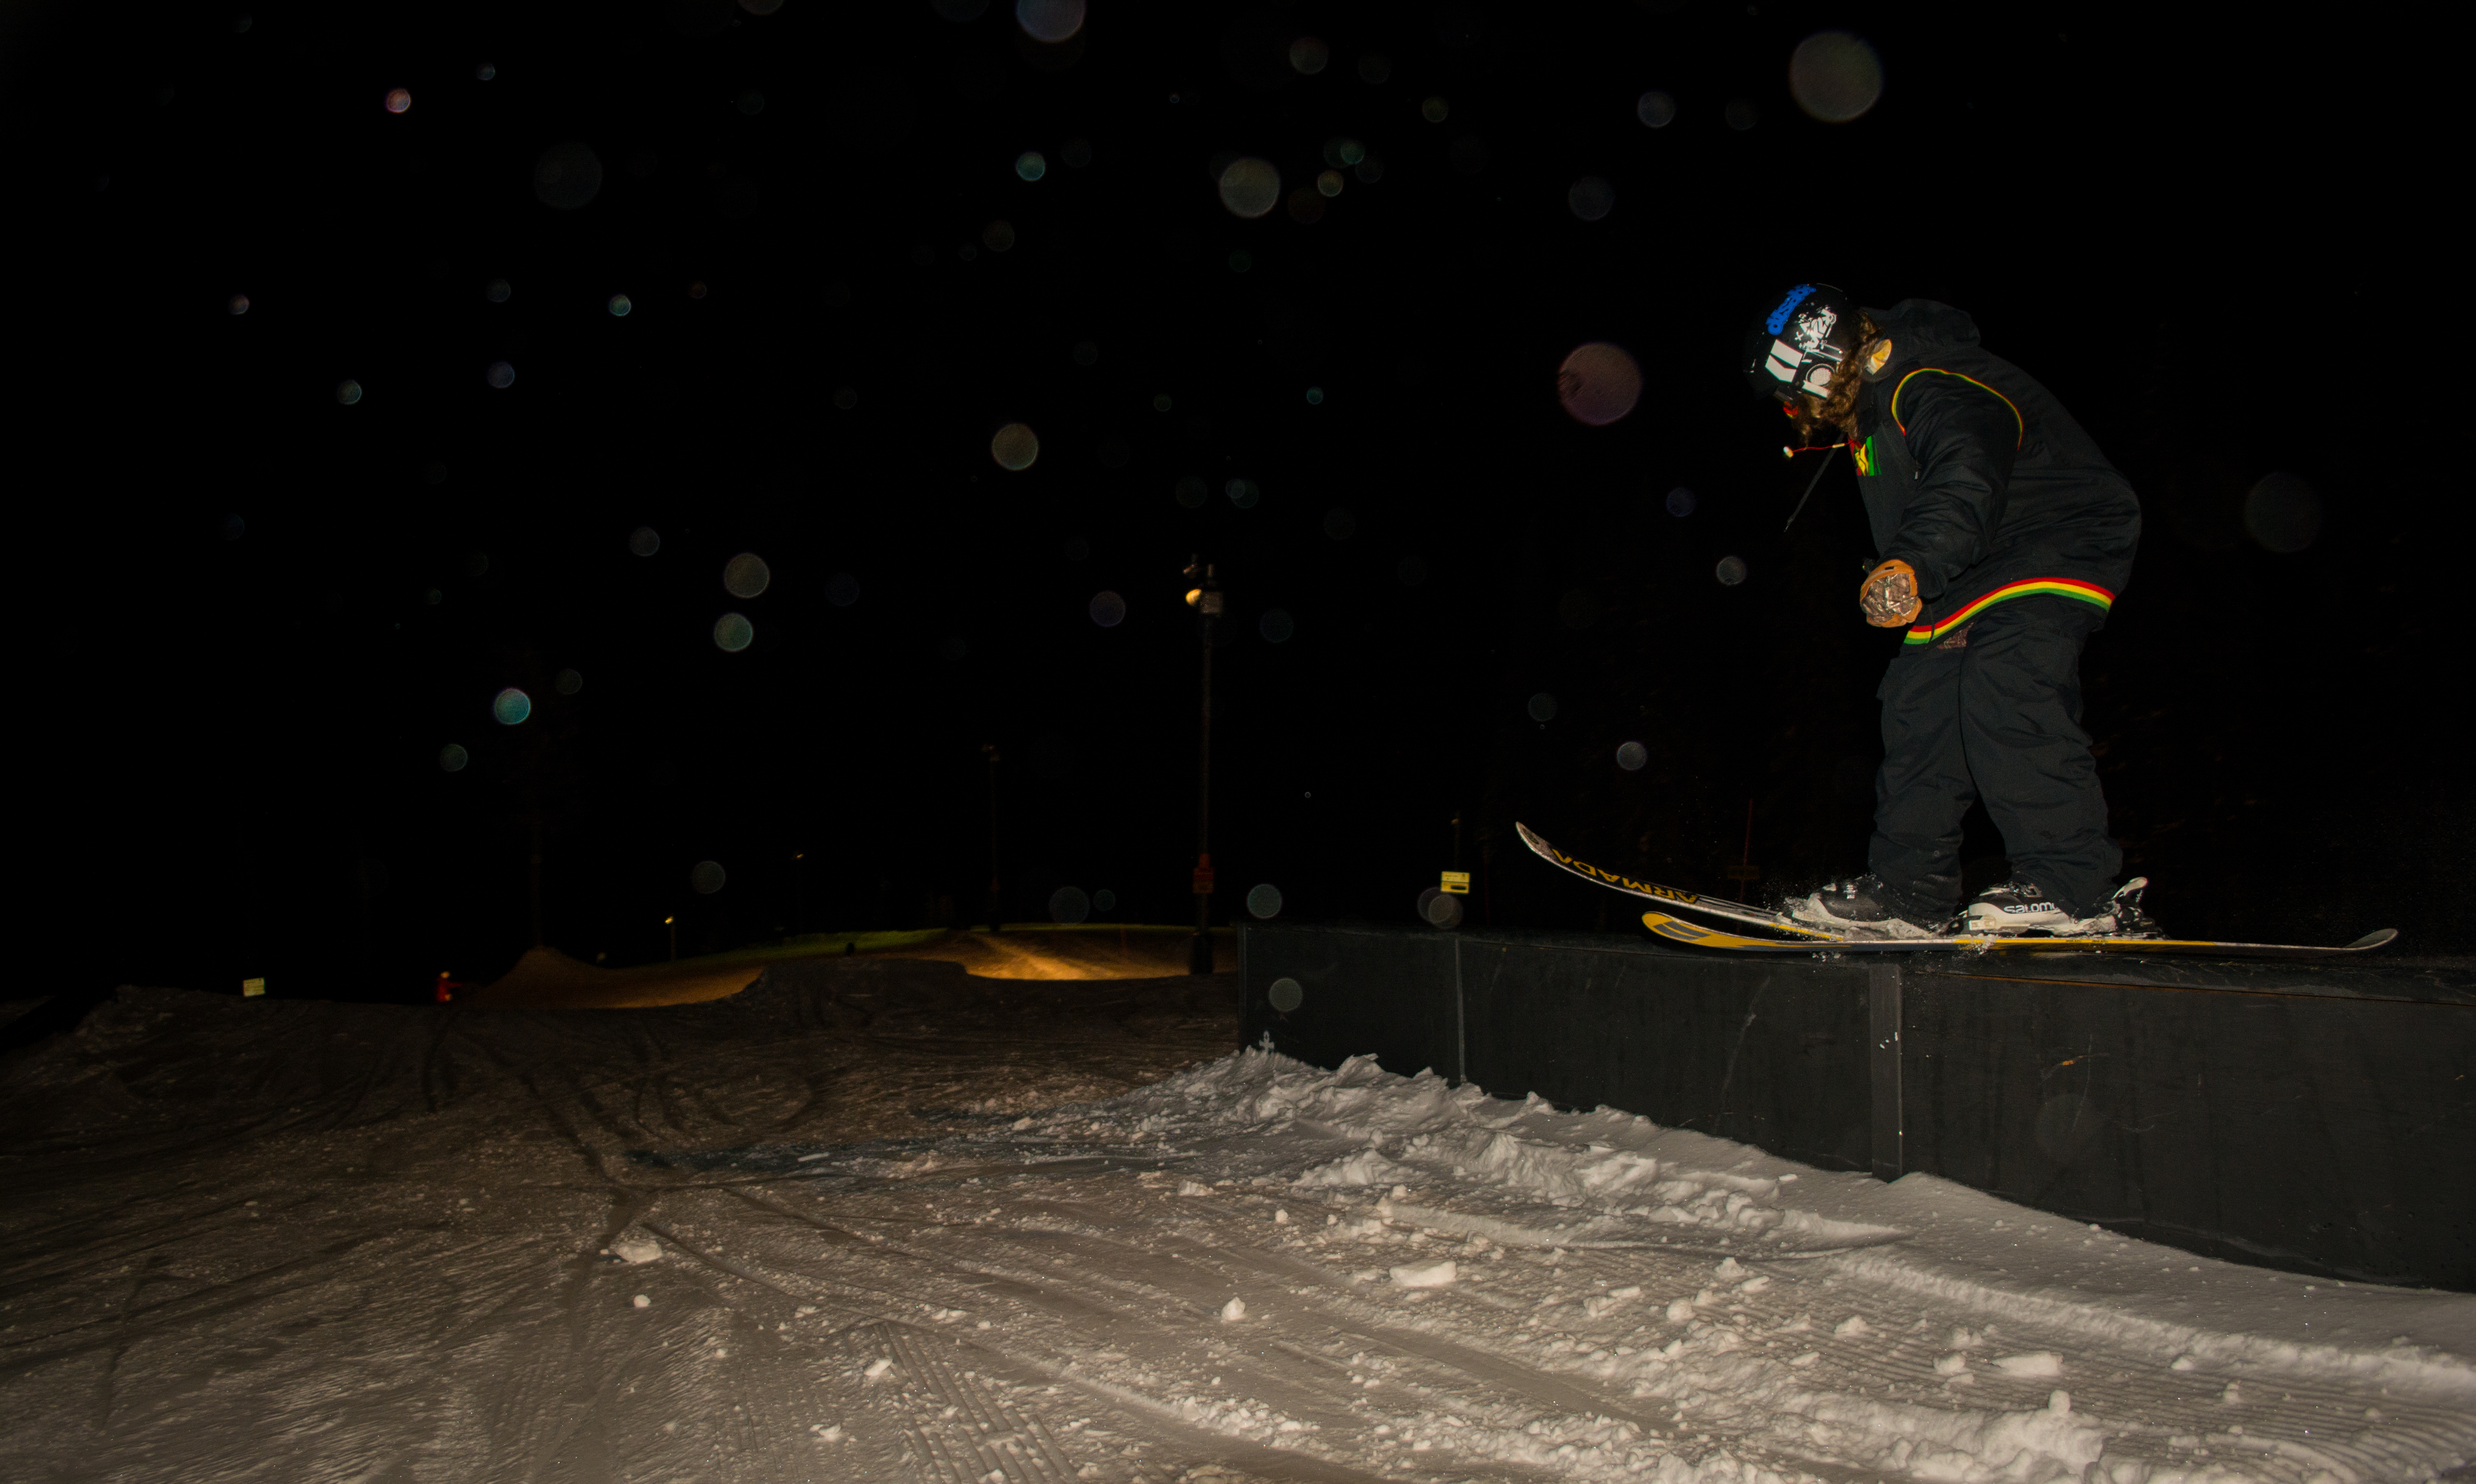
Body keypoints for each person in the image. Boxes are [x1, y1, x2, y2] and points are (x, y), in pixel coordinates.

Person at [1742, 284, 2149, 937]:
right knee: (1918, 704)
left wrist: (1916, 561)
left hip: (2050, 538)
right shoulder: (1873, 413)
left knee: (2005, 680)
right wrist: (1901, 571)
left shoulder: (1921, 376)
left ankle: (2077, 888)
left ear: (1819, 364)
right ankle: (1910, 894)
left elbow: (1969, 463)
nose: (1797, 413)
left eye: (1795, 395)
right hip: (1967, 565)